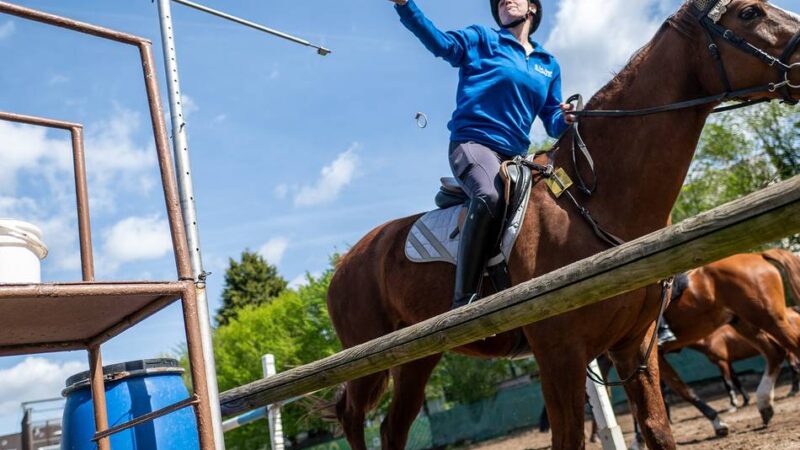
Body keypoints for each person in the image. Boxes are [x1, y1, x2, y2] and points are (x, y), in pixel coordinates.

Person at [391, 0, 575, 309]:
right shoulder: (483, 39)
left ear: (532, 8)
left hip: (516, 158)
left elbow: (553, 122)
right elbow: (441, 43)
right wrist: (404, 5)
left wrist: (567, 118)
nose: (503, 0)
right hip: (473, 144)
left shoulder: (548, 64)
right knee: (489, 196)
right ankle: (465, 301)